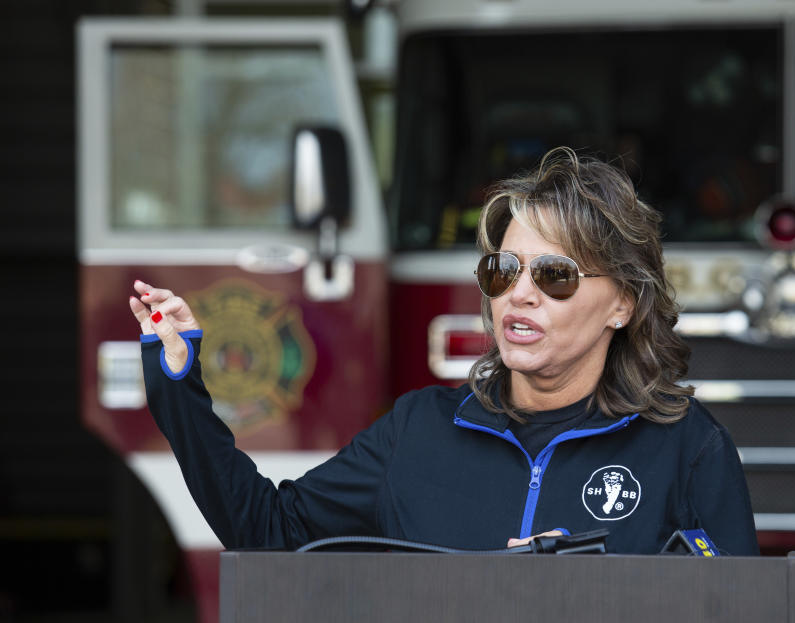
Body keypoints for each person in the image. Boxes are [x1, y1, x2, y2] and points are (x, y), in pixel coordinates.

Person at [129, 147, 759, 555]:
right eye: (503, 270)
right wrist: (177, 382)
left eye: (555, 277)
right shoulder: (417, 431)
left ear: (623, 304)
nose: (520, 296)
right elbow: (267, 531)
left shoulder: (688, 450)